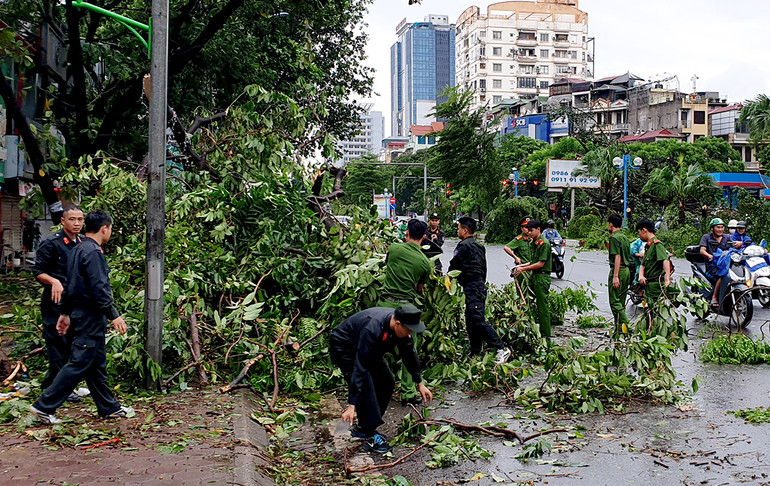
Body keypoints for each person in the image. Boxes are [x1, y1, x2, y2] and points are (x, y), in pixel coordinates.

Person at [30, 211, 133, 425]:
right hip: (89, 317)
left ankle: (109, 408)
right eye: (110, 229)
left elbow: (70, 285)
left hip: (79, 314)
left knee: (96, 364)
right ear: (104, 228)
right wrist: (113, 315)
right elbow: (99, 287)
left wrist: (65, 313)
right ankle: (44, 406)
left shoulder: (77, 248)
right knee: (78, 363)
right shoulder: (92, 252)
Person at [330, 305, 433, 453]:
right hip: (345, 346)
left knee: (386, 381)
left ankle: (364, 427)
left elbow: (409, 354)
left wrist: (420, 383)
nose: (410, 333)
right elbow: (360, 367)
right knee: (365, 385)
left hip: (368, 348)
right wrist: (352, 405)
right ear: (398, 324)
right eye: (409, 330)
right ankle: (369, 435)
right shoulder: (372, 329)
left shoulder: (400, 330)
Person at [32, 205, 84, 402]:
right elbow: (38, 271)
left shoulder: (83, 243)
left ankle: (54, 384)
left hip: (75, 302)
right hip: (55, 302)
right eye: (72, 219)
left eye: (80, 219)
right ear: (63, 221)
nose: (77, 223)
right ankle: (60, 389)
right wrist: (53, 281)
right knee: (57, 344)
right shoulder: (52, 244)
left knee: (71, 343)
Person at [378, 219, 433, 406]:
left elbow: (387, 266)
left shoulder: (394, 249)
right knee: (409, 349)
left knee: (378, 346)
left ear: (406, 233)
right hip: (406, 309)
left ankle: (374, 386)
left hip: (384, 305)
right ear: (424, 237)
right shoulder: (425, 263)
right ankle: (408, 393)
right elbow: (419, 289)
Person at [449, 217, 511, 363]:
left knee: (477, 319)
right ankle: (475, 351)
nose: (458, 231)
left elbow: (454, 266)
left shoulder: (463, 246)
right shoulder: (479, 246)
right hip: (478, 286)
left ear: (465, 230)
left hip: (473, 286)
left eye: (459, 228)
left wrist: (448, 279)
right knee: (471, 320)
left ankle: (501, 348)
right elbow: (483, 268)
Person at [512, 220, 552, 339]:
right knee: (527, 302)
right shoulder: (534, 243)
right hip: (534, 276)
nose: (529, 233)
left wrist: (523, 269)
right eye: (528, 231)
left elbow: (540, 263)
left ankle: (545, 335)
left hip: (541, 277)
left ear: (538, 229)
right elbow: (533, 262)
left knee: (542, 307)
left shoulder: (544, 243)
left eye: (531, 230)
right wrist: (520, 266)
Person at [699, 218, 733, 309]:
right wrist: (710, 256)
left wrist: (739, 245)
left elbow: (733, 247)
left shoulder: (727, 238)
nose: (720, 229)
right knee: (724, 275)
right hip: (712, 265)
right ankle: (714, 297)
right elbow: (702, 250)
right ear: (712, 228)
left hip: (725, 264)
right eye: (718, 227)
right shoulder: (706, 237)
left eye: (722, 227)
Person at [637, 219, 672, 306]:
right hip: (648, 286)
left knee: (655, 310)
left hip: (656, 285)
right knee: (648, 310)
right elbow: (642, 264)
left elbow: (665, 260)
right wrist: (641, 276)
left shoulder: (657, 245)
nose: (639, 236)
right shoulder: (649, 246)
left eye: (639, 233)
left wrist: (667, 279)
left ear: (644, 230)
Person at [607, 214, 631, 334]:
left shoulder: (614, 238)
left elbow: (617, 257)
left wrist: (615, 276)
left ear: (611, 224)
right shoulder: (624, 237)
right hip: (626, 271)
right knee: (621, 301)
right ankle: (620, 329)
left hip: (618, 270)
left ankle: (627, 327)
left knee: (614, 302)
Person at [504, 217, 532, 291]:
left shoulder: (533, 239)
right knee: (522, 291)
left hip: (533, 269)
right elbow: (506, 248)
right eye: (526, 227)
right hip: (522, 271)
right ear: (522, 228)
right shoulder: (519, 240)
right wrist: (515, 257)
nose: (528, 229)